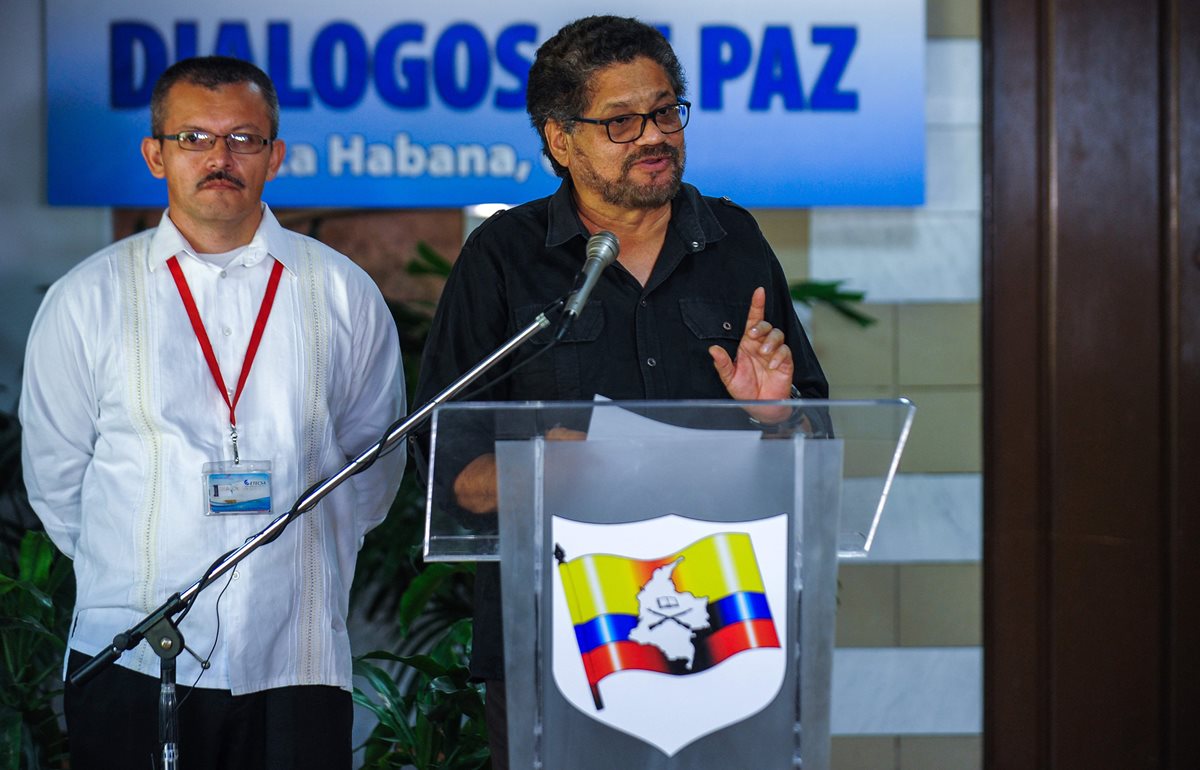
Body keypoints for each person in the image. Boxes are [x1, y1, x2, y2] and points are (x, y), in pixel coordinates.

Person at [410, 15, 827, 767]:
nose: (654, 135)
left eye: (666, 111)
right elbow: (443, 461)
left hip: (724, 625)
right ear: (560, 139)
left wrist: (777, 416)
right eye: (622, 121)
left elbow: (814, 444)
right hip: (561, 632)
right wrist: (541, 469)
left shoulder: (735, 245)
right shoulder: (505, 260)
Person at [20, 56, 405, 769]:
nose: (219, 158)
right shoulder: (88, 298)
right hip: (135, 653)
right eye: (194, 138)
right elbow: (56, 481)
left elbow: (373, 464)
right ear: (155, 154)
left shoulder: (341, 291)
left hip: (298, 656)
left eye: (243, 139)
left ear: (275, 155)